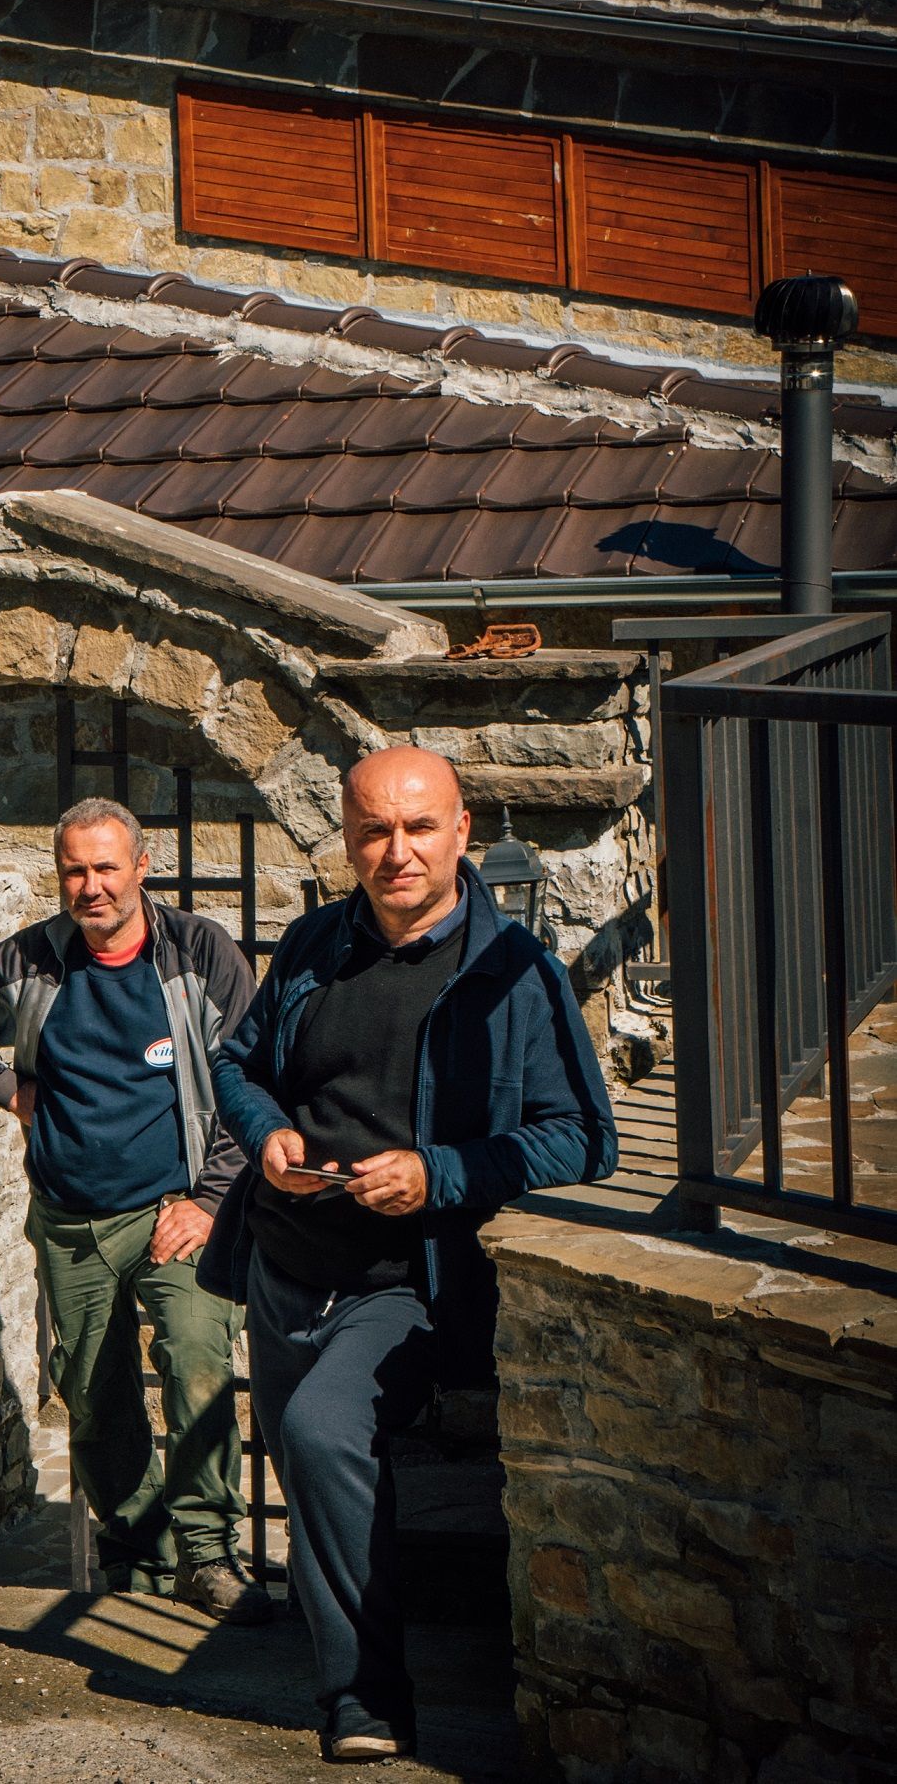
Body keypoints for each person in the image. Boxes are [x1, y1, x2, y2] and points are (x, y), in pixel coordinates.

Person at [202, 746, 617, 1759]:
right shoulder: (312, 944)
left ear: (461, 830)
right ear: (348, 839)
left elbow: (583, 1137)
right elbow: (236, 1065)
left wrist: (440, 1171)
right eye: (374, 830)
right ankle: (349, 1661)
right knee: (312, 1470)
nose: (397, 850)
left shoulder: (516, 975)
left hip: (403, 1283)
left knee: (318, 1427)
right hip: (283, 1260)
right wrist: (267, 1138)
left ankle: (365, 1697)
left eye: (419, 826)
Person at [0, 796, 271, 1625]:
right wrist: (8, 1089)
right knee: (93, 1396)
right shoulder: (35, 959)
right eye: (75, 869)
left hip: (173, 1210)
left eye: (107, 867)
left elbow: (247, 1077)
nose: (91, 885)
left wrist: (210, 1200)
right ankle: (144, 1555)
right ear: (58, 873)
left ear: (141, 867)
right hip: (71, 1217)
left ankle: (211, 1555)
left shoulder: (196, 954)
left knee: (195, 1360)